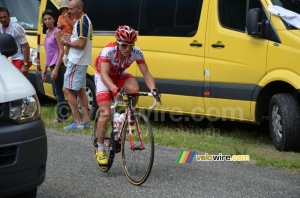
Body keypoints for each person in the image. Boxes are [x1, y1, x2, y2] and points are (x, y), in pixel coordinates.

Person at [94, 25, 161, 165]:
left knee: (134, 87)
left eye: (131, 45)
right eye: (124, 45)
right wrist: (114, 89)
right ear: (118, 43)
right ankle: (100, 148)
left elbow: (146, 73)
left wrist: (154, 90)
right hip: (104, 77)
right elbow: (105, 75)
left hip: (119, 75)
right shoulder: (108, 51)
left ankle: (125, 116)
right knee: (106, 113)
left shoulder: (136, 52)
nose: (128, 49)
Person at [60, 0, 92, 130]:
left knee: (67, 89)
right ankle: (86, 120)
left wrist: (66, 42)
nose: (68, 11)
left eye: (71, 9)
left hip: (76, 60)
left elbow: (81, 44)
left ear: (79, 8)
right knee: (80, 90)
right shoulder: (83, 20)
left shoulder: (82, 21)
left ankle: (78, 121)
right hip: (81, 61)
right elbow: (79, 40)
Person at [41, 10, 66, 123]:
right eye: (45, 19)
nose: (47, 21)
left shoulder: (57, 31)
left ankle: (62, 117)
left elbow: (61, 51)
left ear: (54, 19)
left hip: (58, 65)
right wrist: (45, 68)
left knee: (59, 91)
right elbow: (49, 52)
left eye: (49, 18)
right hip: (51, 64)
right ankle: (63, 114)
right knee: (57, 91)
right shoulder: (47, 32)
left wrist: (56, 68)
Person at [0, 7, 30, 77]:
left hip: (18, 59)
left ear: (9, 16)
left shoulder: (16, 28)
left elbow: (26, 47)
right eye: (1, 18)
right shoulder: (0, 28)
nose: (3, 19)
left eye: (5, 17)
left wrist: (25, 65)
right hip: (7, 59)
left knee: (17, 81)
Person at [57, 0, 75, 65]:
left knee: (68, 44)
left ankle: (65, 57)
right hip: (63, 34)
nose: (65, 11)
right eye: (63, 9)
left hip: (71, 34)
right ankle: (63, 57)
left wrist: (67, 18)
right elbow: (58, 26)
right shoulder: (60, 17)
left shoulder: (73, 17)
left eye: (66, 9)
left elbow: (74, 25)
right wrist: (60, 26)